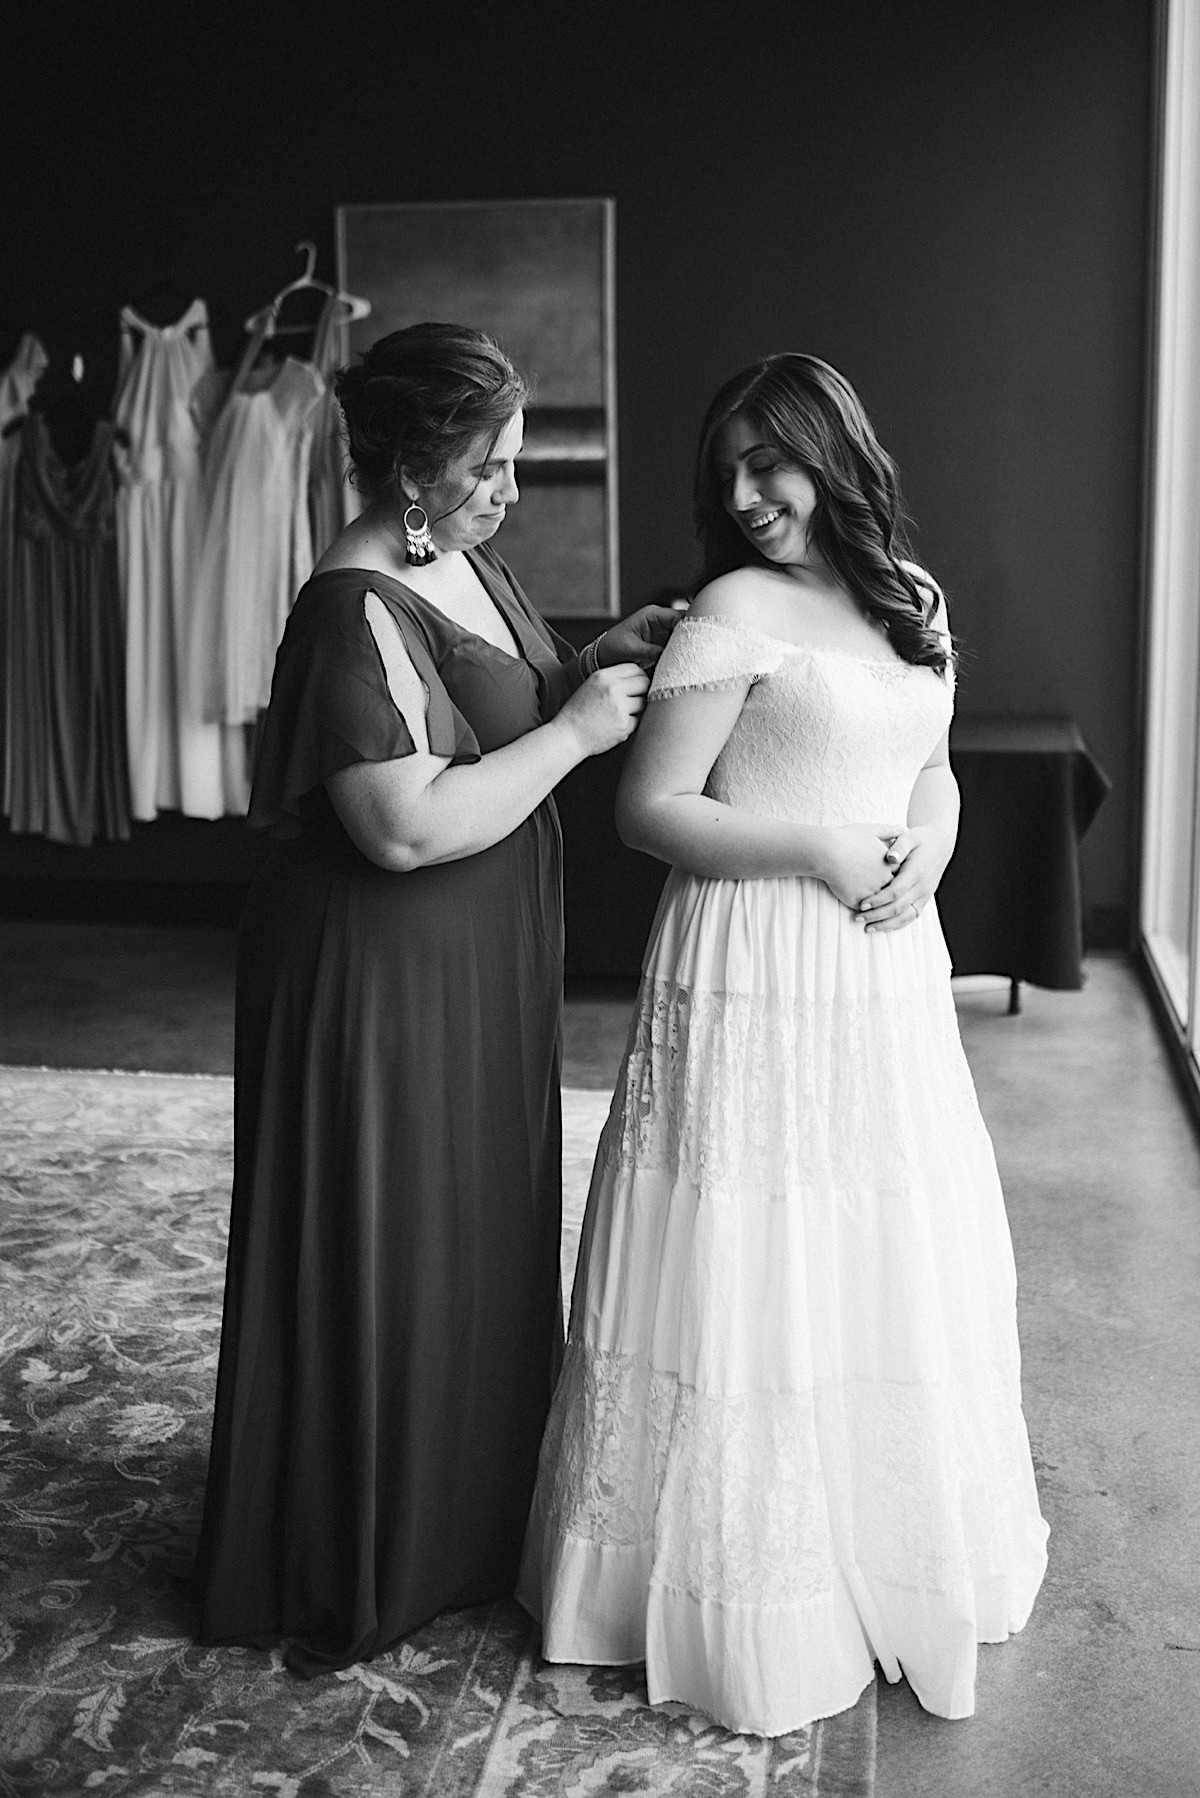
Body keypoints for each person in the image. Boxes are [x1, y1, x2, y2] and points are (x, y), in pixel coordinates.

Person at [519, 353, 1049, 1735]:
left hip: (882, 969)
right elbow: (651, 807)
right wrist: (816, 844)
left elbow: (928, 758)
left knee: (875, 1236)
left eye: (775, 462)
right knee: (749, 1246)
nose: (749, 493)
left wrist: (929, 840)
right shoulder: (730, 609)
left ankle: (882, 1545)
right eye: (731, 468)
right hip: (754, 954)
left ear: (835, 453)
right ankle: (744, 1589)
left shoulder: (910, 601)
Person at [193, 321, 678, 1674]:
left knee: (473, 1215)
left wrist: (587, 668)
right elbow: (401, 825)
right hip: (381, 969)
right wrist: (582, 734)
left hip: (471, 953)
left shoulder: (457, 559)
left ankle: (471, 1510)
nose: (512, 488)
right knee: (391, 1224)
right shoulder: (349, 606)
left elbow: (497, 710)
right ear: (411, 468)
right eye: (491, 465)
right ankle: (371, 1534)